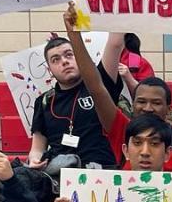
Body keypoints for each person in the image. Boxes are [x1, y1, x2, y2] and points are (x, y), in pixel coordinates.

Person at [62, 2, 172, 173]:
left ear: (168, 108)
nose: (148, 108)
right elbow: (96, 89)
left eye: (156, 103)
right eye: (141, 101)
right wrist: (73, 34)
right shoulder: (121, 130)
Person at [27, 31, 125, 175]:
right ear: (49, 69)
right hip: (59, 175)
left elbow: (115, 44)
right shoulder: (43, 102)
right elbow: (37, 149)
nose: (64, 61)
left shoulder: (99, 85)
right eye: (55, 59)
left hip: (100, 172)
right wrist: (35, 160)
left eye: (69, 55)